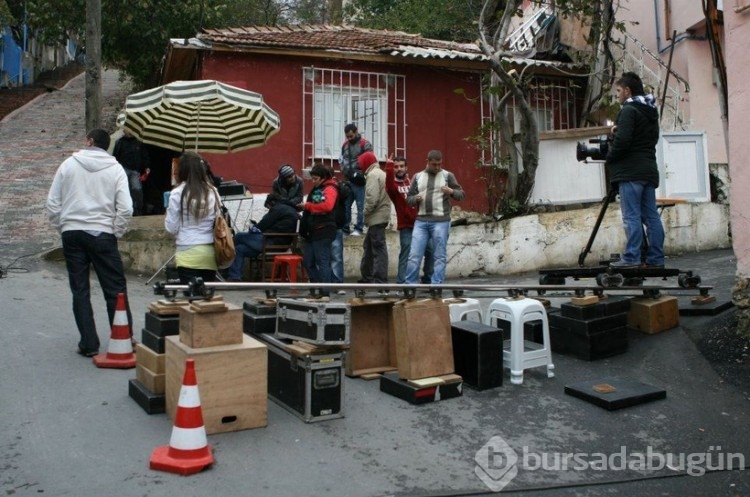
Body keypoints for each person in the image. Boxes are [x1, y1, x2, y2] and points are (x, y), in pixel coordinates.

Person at [46, 128, 135, 358]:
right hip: (103, 233)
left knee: (80, 289)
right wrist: (116, 230)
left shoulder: (68, 164)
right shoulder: (115, 169)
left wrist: (63, 226)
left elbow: (53, 203)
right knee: (115, 288)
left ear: (89, 141)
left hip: (72, 233)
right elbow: (125, 208)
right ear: (107, 146)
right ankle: (123, 336)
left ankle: (88, 343)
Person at [606, 72, 665, 269]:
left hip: (630, 172)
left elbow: (623, 141)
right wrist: (619, 128)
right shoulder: (650, 111)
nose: (618, 95)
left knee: (631, 216)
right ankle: (656, 259)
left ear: (627, 91)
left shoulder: (629, 109)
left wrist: (610, 158)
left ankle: (632, 258)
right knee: (651, 216)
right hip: (648, 170)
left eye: (619, 91)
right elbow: (648, 138)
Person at [405, 150, 465, 285]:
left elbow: (461, 194)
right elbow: (408, 199)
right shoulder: (417, 177)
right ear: (427, 162)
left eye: (439, 164)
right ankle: (410, 286)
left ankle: (436, 285)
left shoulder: (448, 175)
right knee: (414, 255)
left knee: (439, 256)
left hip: (441, 221)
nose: (437, 167)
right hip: (421, 221)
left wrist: (451, 192)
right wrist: (415, 199)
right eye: (434, 164)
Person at [164, 151, 222, 285]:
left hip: (186, 251)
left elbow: (171, 228)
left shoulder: (177, 194)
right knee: (206, 300)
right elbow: (218, 220)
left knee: (192, 301)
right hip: (209, 252)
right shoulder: (213, 191)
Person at [226, 193, 299, 281]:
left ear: (272, 203)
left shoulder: (278, 209)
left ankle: (225, 259)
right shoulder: (289, 209)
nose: (269, 210)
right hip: (280, 244)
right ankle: (234, 277)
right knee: (239, 249)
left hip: (270, 243)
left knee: (239, 236)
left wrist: (254, 227)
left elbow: (262, 225)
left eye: (268, 207)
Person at [385, 155, 434, 284]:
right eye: (396, 167)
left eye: (401, 166)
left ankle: (428, 280)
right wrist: (389, 166)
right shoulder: (393, 187)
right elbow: (388, 184)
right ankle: (402, 283)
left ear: (406, 168)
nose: (399, 169)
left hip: (422, 224)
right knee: (406, 255)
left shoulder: (413, 182)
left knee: (431, 251)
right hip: (406, 226)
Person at [297, 163, 338, 299]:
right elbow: (316, 206)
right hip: (312, 231)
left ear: (322, 178)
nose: (313, 181)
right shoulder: (318, 189)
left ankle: (325, 292)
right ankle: (316, 288)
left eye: (315, 178)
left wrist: (307, 206)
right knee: (308, 262)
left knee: (322, 262)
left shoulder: (330, 188)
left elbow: (327, 206)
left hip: (323, 231)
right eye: (312, 178)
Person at [358, 151, 390, 285]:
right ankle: (369, 276)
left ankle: (378, 280)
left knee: (377, 249)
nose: (360, 167)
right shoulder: (382, 173)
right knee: (370, 247)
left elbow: (372, 198)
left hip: (376, 217)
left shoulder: (372, 175)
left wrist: (364, 213)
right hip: (381, 216)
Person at [339, 123, 372, 236]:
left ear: (356, 132)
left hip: (359, 180)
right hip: (348, 179)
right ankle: (345, 228)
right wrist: (343, 170)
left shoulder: (365, 144)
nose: (349, 138)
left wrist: (362, 175)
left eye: (351, 136)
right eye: (347, 136)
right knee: (346, 204)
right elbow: (342, 159)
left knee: (360, 205)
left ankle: (359, 228)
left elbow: (369, 161)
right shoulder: (344, 145)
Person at [326, 164, 352, 295]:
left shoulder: (338, 186)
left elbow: (346, 193)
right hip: (325, 226)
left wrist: (337, 184)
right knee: (326, 256)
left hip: (336, 225)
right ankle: (326, 283)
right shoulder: (320, 188)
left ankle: (337, 283)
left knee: (336, 256)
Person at [112, 128, 150, 216]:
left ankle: (138, 208)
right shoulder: (120, 142)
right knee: (124, 189)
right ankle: (124, 208)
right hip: (123, 169)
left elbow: (144, 155)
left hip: (135, 170)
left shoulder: (138, 142)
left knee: (137, 189)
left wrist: (147, 166)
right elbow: (115, 156)